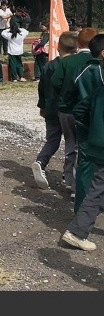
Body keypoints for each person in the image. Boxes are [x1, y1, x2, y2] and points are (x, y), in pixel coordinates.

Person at [62, 37, 104, 251]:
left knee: (95, 182)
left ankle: (79, 225)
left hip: (92, 136)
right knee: (96, 184)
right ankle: (78, 229)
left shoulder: (89, 75)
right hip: (95, 138)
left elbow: (77, 107)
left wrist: (90, 127)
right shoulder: (92, 71)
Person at [51, 27, 98, 197]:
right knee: (84, 147)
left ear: (78, 43)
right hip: (88, 111)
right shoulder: (96, 62)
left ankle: (68, 181)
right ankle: (80, 185)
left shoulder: (67, 61)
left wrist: (64, 98)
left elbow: (55, 82)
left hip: (66, 110)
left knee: (70, 144)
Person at [33, 31, 77, 189]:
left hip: (51, 108)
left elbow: (42, 88)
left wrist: (42, 106)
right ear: (76, 48)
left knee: (52, 140)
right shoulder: (75, 66)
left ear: (58, 47)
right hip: (68, 109)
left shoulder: (48, 66)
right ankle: (68, 174)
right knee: (72, 142)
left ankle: (40, 162)